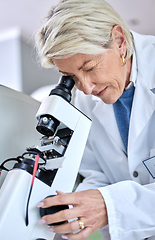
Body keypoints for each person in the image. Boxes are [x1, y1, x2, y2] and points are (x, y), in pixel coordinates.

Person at [35, 0, 155, 239]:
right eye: (71, 77)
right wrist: (75, 207)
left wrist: (111, 206)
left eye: (89, 68)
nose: (86, 88)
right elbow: (99, 173)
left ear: (119, 41)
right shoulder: (84, 100)